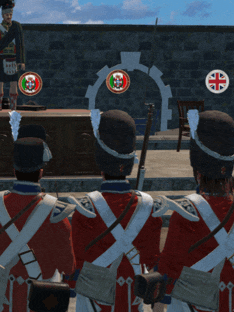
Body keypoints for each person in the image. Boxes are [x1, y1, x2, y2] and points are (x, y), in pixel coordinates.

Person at [157, 110, 234, 312]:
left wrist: (160, 301)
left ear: (198, 172)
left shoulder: (185, 212)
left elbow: (171, 264)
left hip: (190, 304)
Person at [66, 110, 166, 312]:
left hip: (93, 299)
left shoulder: (86, 208)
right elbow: (151, 259)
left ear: (101, 163)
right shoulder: (148, 207)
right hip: (132, 298)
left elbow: (76, 263)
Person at [0, 124, 75, 312]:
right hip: (43, 299)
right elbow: (68, 266)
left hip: (5, 296)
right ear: (41, 171)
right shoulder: (56, 213)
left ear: (14, 170)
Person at [0, 0, 25, 110]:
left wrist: (21, 61)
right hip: (0, 58)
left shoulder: (16, 27)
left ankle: (13, 107)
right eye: (6, 14)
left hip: (13, 58)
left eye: (10, 14)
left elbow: (20, 45)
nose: (8, 16)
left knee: (14, 85)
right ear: (3, 15)